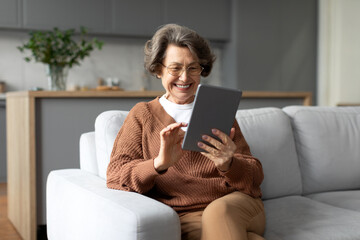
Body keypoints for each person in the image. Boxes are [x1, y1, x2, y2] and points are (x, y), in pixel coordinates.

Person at [107, 23, 265, 240]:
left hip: (237, 205)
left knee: (218, 213)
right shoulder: (142, 115)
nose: (184, 77)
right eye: (175, 68)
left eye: (193, 68)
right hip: (187, 215)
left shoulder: (218, 108)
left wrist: (229, 164)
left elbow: (255, 176)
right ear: (158, 69)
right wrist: (158, 164)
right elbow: (116, 176)